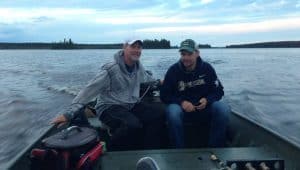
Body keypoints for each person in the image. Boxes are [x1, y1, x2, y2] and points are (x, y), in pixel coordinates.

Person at [51, 38, 165, 150]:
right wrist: (68, 114)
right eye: (133, 47)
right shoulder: (111, 69)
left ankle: (149, 150)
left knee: (159, 114)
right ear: (124, 48)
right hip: (109, 107)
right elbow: (88, 91)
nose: (136, 50)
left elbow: (147, 78)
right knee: (131, 124)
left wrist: (162, 82)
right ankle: (108, 149)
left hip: (130, 104)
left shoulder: (138, 66)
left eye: (139, 47)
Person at [160, 39, 230, 148]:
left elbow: (219, 90)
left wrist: (207, 100)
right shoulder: (173, 70)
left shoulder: (207, 69)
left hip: (204, 109)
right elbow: (164, 95)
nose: (186, 58)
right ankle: (178, 149)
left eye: (189, 54)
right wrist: (182, 102)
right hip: (182, 110)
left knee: (223, 108)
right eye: (183, 54)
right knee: (172, 112)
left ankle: (215, 147)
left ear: (197, 53)